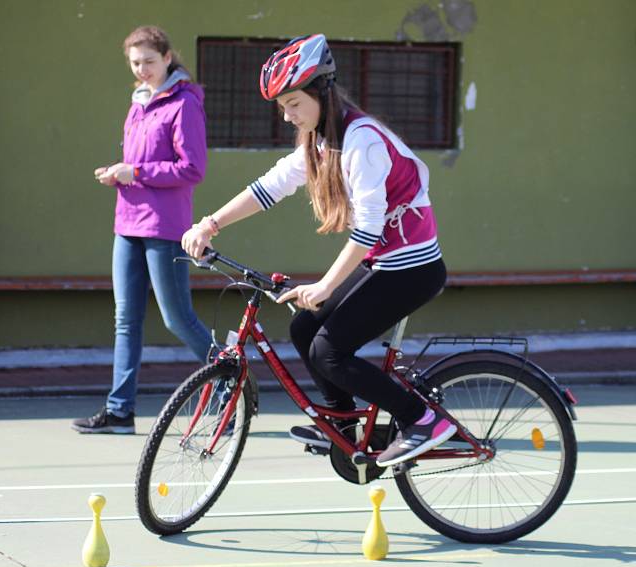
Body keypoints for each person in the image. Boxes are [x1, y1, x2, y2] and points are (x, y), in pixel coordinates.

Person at [181, 34, 455, 467]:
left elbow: (366, 229)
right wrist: (211, 223)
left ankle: (420, 419)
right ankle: (344, 425)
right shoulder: (319, 139)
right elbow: (271, 186)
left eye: (293, 103)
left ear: (321, 92)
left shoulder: (360, 140)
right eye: (283, 108)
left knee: (330, 350)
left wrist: (326, 285)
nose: (288, 116)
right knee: (304, 329)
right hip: (384, 262)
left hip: (411, 268)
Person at [72, 26, 213, 434]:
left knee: (177, 318)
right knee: (125, 320)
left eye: (149, 61)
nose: (143, 69)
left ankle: (231, 386)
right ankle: (119, 413)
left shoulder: (184, 104)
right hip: (127, 224)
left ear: (168, 58)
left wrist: (135, 172)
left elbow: (193, 168)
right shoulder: (138, 104)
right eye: (136, 63)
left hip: (165, 227)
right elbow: (138, 166)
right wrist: (119, 174)